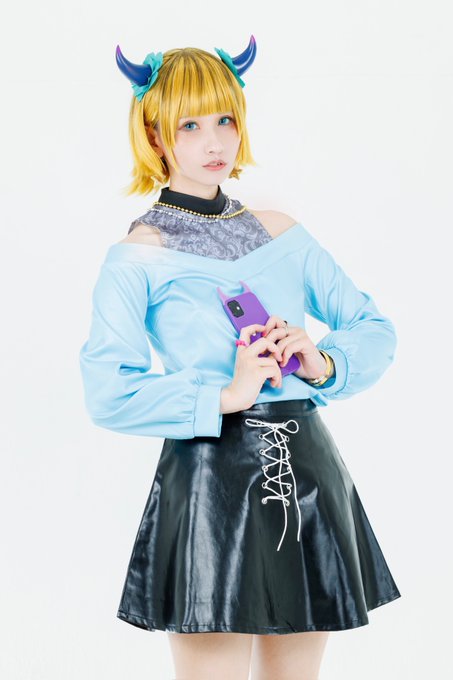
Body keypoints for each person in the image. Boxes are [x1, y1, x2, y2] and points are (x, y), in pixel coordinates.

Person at [79, 35, 401, 680]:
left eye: (225, 119)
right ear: (155, 133)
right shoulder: (138, 255)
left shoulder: (283, 232)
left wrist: (321, 361)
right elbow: (108, 391)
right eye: (190, 125)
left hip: (307, 470)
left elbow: (372, 327)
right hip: (210, 483)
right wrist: (224, 395)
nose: (214, 141)